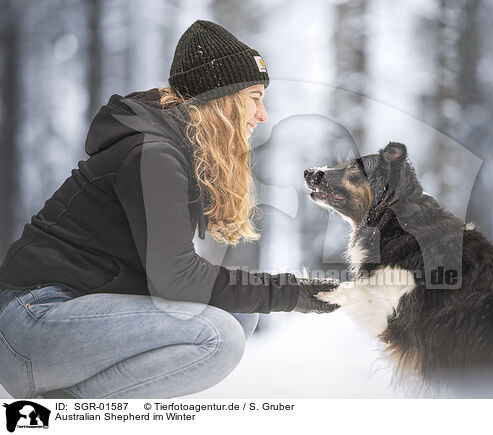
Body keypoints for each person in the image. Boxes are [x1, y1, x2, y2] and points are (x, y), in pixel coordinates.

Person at [0, 20, 339, 399]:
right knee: (218, 336)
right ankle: (65, 414)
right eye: (255, 97)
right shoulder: (154, 156)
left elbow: (176, 279)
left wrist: (284, 291)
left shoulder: (174, 150)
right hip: (33, 325)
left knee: (238, 316)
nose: (263, 115)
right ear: (222, 100)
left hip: (72, 317)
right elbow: (178, 280)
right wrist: (290, 293)